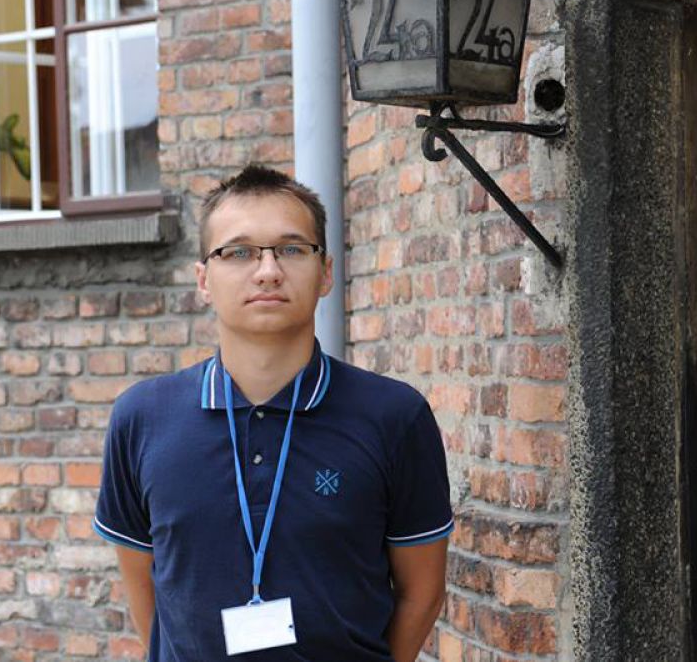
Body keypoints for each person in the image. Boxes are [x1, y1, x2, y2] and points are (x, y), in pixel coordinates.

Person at [93, 164, 453, 661]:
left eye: (291, 249)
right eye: (238, 252)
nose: (267, 270)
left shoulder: (395, 417)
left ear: (326, 272)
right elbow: (146, 591)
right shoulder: (141, 418)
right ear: (203, 279)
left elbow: (422, 591)